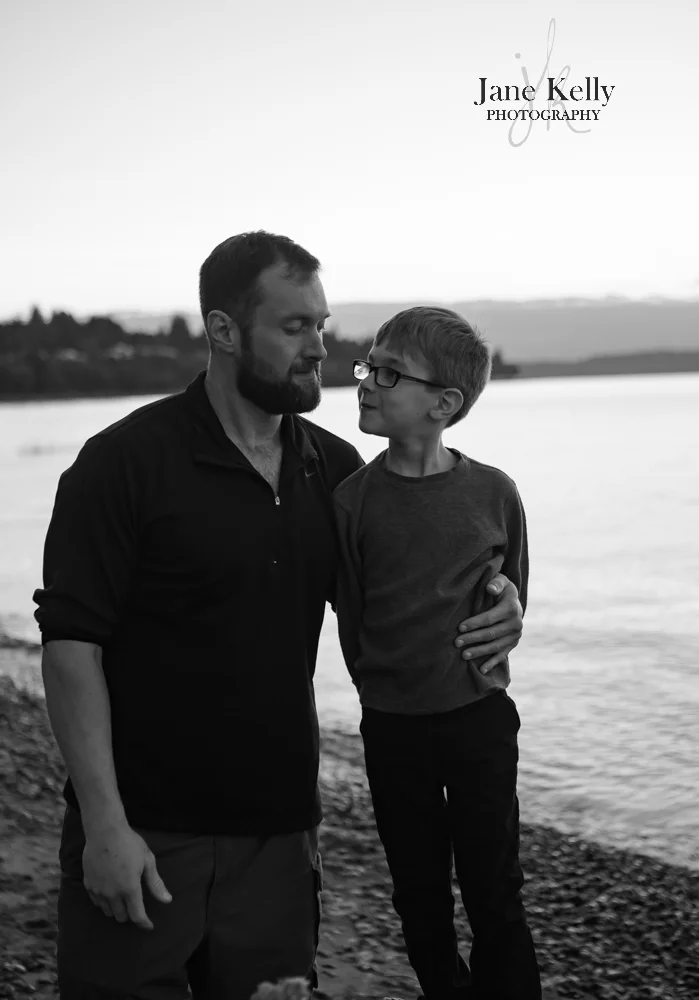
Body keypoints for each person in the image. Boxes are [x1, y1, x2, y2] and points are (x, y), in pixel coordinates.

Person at [33, 233, 526, 1000]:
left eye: (322, 326)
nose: (319, 348)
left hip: (279, 842)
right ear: (224, 331)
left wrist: (506, 604)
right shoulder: (122, 462)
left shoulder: (335, 473)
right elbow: (70, 648)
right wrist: (103, 827)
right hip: (147, 833)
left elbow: (407, 596)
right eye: (294, 327)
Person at [333, 306, 542, 1000]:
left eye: (388, 374)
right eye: (369, 365)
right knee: (418, 896)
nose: (366, 382)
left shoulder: (493, 492)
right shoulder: (352, 502)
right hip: (392, 728)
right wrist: (376, 691)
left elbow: (512, 593)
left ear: (442, 404)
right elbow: (351, 613)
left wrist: (508, 620)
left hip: (479, 722)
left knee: (494, 892)